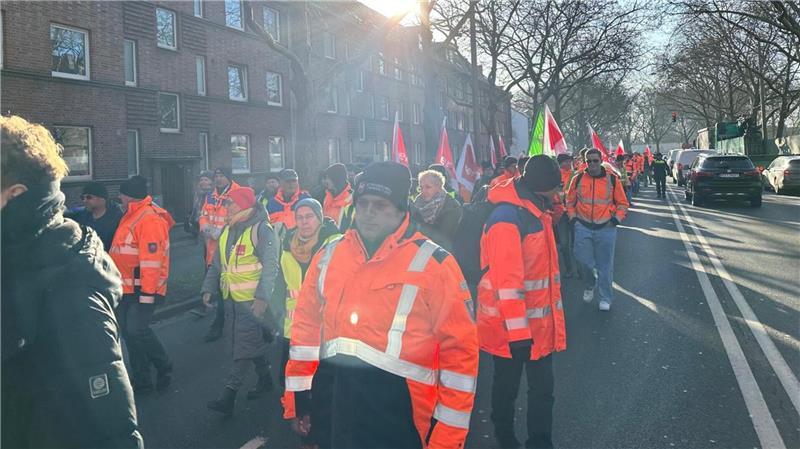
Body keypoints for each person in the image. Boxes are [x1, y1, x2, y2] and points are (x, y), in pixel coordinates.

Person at [284, 161, 479, 449]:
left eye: (380, 205)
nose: (368, 214)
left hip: (400, 423)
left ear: (402, 209)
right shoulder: (329, 254)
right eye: (363, 204)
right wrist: (298, 400)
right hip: (334, 411)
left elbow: (460, 357)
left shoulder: (434, 264)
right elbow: (305, 330)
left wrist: (446, 440)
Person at [1, 115, 143, 448]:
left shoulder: (69, 287)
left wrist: (149, 293)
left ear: (16, 193)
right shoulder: (16, 260)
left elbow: (113, 429)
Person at [478, 155, 567, 449]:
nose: (559, 193)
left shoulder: (534, 210)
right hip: (511, 330)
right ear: (542, 188)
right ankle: (506, 439)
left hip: (537, 328)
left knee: (543, 392)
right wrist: (518, 335)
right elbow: (508, 285)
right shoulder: (507, 219)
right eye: (556, 188)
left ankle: (540, 443)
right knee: (507, 389)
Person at [201, 187, 279, 416]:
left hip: (252, 303)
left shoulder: (262, 229)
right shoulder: (228, 229)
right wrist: (207, 288)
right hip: (232, 301)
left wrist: (262, 298)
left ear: (244, 205)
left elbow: (271, 267)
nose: (226, 208)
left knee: (242, 347)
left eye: (230, 204)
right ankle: (265, 380)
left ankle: (229, 395)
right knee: (249, 342)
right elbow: (217, 265)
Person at [272, 198, 341, 448]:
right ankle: (301, 421)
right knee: (290, 378)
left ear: (319, 219)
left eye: (309, 217)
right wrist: (275, 313)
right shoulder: (287, 245)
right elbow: (280, 284)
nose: (303, 223)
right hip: (293, 329)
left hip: (326, 329)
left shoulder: (334, 244)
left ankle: (317, 431)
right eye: (299, 217)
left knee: (322, 384)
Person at [109, 175, 174, 393]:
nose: (118, 197)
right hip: (126, 288)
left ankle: (164, 365)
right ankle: (141, 378)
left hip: (142, 290)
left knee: (137, 331)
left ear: (129, 195)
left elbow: (151, 262)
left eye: (121, 193)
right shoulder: (131, 215)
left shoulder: (149, 219)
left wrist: (148, 294)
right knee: (129, 333)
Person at [566, 148, 629, 311]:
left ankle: (605, 298)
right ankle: (589, 284)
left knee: (605, 266)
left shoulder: (612, 179)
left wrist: (616, 219)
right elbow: (569, 201)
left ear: (601, 161)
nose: (592, 164)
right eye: (589, 161)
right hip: (583, 226)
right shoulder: (577, 179)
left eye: (595, 160)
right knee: (582, 260)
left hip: (606, 228)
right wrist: (573, 218)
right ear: (585, 162)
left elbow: (623, 203)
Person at [200, 167, 240, 342]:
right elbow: (203, 216)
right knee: (221, 291)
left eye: (221, 176)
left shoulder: (238, 193)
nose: (218, 179)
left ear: (228, 177)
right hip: (212, 249)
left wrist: (222, 231)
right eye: (216, 176)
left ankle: (220, 325)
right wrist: (207, 229)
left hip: (232, 250)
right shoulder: (210, 195)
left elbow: (240, 217)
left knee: (231, 293)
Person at [411, 169, 463, 251]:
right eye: (421, 187)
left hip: (441, 255)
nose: (423, 191)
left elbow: (442, 237)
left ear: (439, 187)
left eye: (428, 187)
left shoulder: (452, 207)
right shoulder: (416, 204)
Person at [66, 181, 123, 250]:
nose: (85, 200)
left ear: (102, 199)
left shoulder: (117, 218)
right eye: (82, 197)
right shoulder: (80, 215)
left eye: (89, 197)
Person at [267, 169, 311, 238]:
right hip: (279, 245)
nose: (291, 184)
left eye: (294, 181)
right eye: (288, 181)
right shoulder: (271, 203)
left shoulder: (306, 200)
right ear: (281, 183)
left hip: (302, 244)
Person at [555, 154, 576, 277]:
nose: (569, 164)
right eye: (567, 162)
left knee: (577, 243)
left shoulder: (575, 175)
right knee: (564, 244)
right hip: (560, 214)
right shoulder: (554, 176)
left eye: (570, 161)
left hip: (574, 213)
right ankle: (569, 269)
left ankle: (579, 268)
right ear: (560, 163)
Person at [321, 163, 353, 228]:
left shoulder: (352, 198)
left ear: (335, 179)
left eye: (328, 178)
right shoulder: (327, 196)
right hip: (327, 236)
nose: (326, 181)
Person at [187, 171, 214, 243]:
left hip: (210, 228)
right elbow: (196, 209)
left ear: (211, 182)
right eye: (201, 180)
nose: (203, 182)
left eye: (206, 180)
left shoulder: (212, 195)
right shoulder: (199, 194)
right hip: (199, 226)